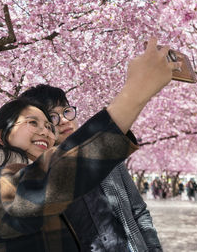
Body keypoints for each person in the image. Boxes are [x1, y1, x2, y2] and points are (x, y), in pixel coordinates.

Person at [0, 37, 179, 251]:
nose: (46, 130)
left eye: (49, 126)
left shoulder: (56, 170)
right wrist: (136, 91)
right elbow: (48, 186)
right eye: (34, 122)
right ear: (2, 136)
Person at [21, 84, 162, 252]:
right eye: (53, 116)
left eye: (66, 111)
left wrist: (154, 248)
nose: (64, 120)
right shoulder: (37, 179)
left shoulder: (107, 157)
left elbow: (138, 210)